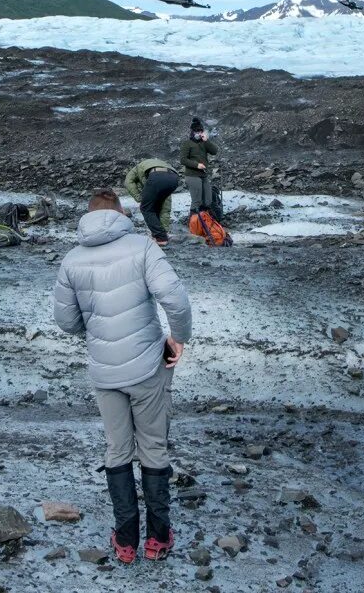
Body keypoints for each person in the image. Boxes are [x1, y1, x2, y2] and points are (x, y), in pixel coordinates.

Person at [54, 188, 192, 564]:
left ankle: (126, 541)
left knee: (117, 448)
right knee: (153, 446)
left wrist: (97, 331)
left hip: (104, 369)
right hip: (147, 365)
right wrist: (178, 338)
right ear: (120, 212)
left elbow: (66, 322)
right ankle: (158, 538)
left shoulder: (72, 259)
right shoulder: (143, 247)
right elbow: (175, 298)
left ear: (88, 215)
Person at [123, 157, 179, 247]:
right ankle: (160, 234)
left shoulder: (136, 169)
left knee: (146, 208)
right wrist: (165, 230)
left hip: (156, 177)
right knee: (158, 206)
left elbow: (128, 182)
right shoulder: (157, 164)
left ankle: (161, 238)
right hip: (174, 178)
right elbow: (166, 208)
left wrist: (139, 197)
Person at [179, 116, 219, 216]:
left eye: (200, 131)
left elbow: (214, 151)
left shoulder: (203, 143)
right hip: (192, 175)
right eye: (196, 131)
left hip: (203, 175)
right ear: (192, 132)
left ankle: (206, 222)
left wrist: (206, 141)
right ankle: (194, 223)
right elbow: (183, 160)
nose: (198, 133)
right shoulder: (187, 144)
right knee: (197, 201)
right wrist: (196, 165)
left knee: (208, 200)